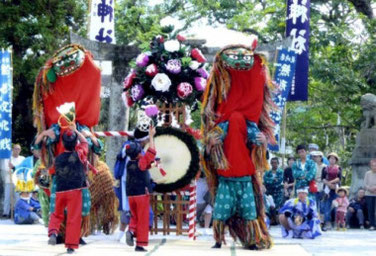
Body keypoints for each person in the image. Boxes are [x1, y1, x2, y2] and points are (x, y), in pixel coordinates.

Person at [201, 43, 276, 250]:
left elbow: (256, 138)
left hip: (244, 177)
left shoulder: (248, 124)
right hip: (227, 176)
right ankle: (218, 239)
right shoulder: (224, 123)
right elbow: (210, 140)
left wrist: (260, 141)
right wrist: (211, 142)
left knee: (249, 211)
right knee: (221, 211)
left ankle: (251, 239)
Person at [47, 125, 90, 254]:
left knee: (56, 213)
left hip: (60, 190)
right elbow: (85, 142)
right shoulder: (80, 153)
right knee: (73, 217)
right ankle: (71, 246)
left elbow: (52, 171)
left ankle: (53, 232)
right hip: (75, 190)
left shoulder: (58, 159)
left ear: (63, 143)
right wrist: (76, 130)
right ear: (75, 143)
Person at [125, 126, 156, 252]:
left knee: (134, 216)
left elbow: (148, 163)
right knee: (143, 218)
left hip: (131, 194)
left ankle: (131, 231)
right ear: (138, 153)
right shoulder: (141, 162)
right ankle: (140, 244)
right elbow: (152, 152)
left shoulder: (129, 163)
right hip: (141, 194)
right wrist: (152, 136)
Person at [1, 144, 25, 218]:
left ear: (20, 150)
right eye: (15, 149)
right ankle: (6, 212)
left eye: (18, 149)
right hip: (9, 180)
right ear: (12, 149)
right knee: (7, 196)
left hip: (18, 181)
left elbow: (22, 169)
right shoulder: (8, 159)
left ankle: (17, 211)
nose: (17, 150)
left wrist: (14, 169)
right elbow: (5, 168)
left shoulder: (22, 158)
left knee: (18, 197)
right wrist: (10, 169)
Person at [321, 152, 342, 231]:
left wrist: (331, 183)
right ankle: (327, 222)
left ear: (336, 160)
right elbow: (323, 178)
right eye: (330, 158)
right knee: (327, 206)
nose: (332, 160)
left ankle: (338, 222)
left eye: (334, 158)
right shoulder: (325, 168)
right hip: (327, 189)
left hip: (336, 189)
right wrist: (328, 184)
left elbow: (339, 178)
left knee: (337, 205)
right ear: (328, 159)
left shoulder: (338, 168)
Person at [311, 151, 326, 221]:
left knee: (322, 205)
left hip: (323, 186)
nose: (315, 158)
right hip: (314, 186)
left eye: (317, 156)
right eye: (314, 157)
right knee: (315, 204)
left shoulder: (325, 167)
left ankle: (322, 221)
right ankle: (316, 220)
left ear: (321, 157)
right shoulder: (312, 166)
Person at [364, 158, 376, 230]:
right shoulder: (367, 173)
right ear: (370, 166)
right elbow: (365, 184)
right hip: (369, 194)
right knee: (370, 210)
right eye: (373, 165)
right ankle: (372, 225)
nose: (374, 167)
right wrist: (370, 188)